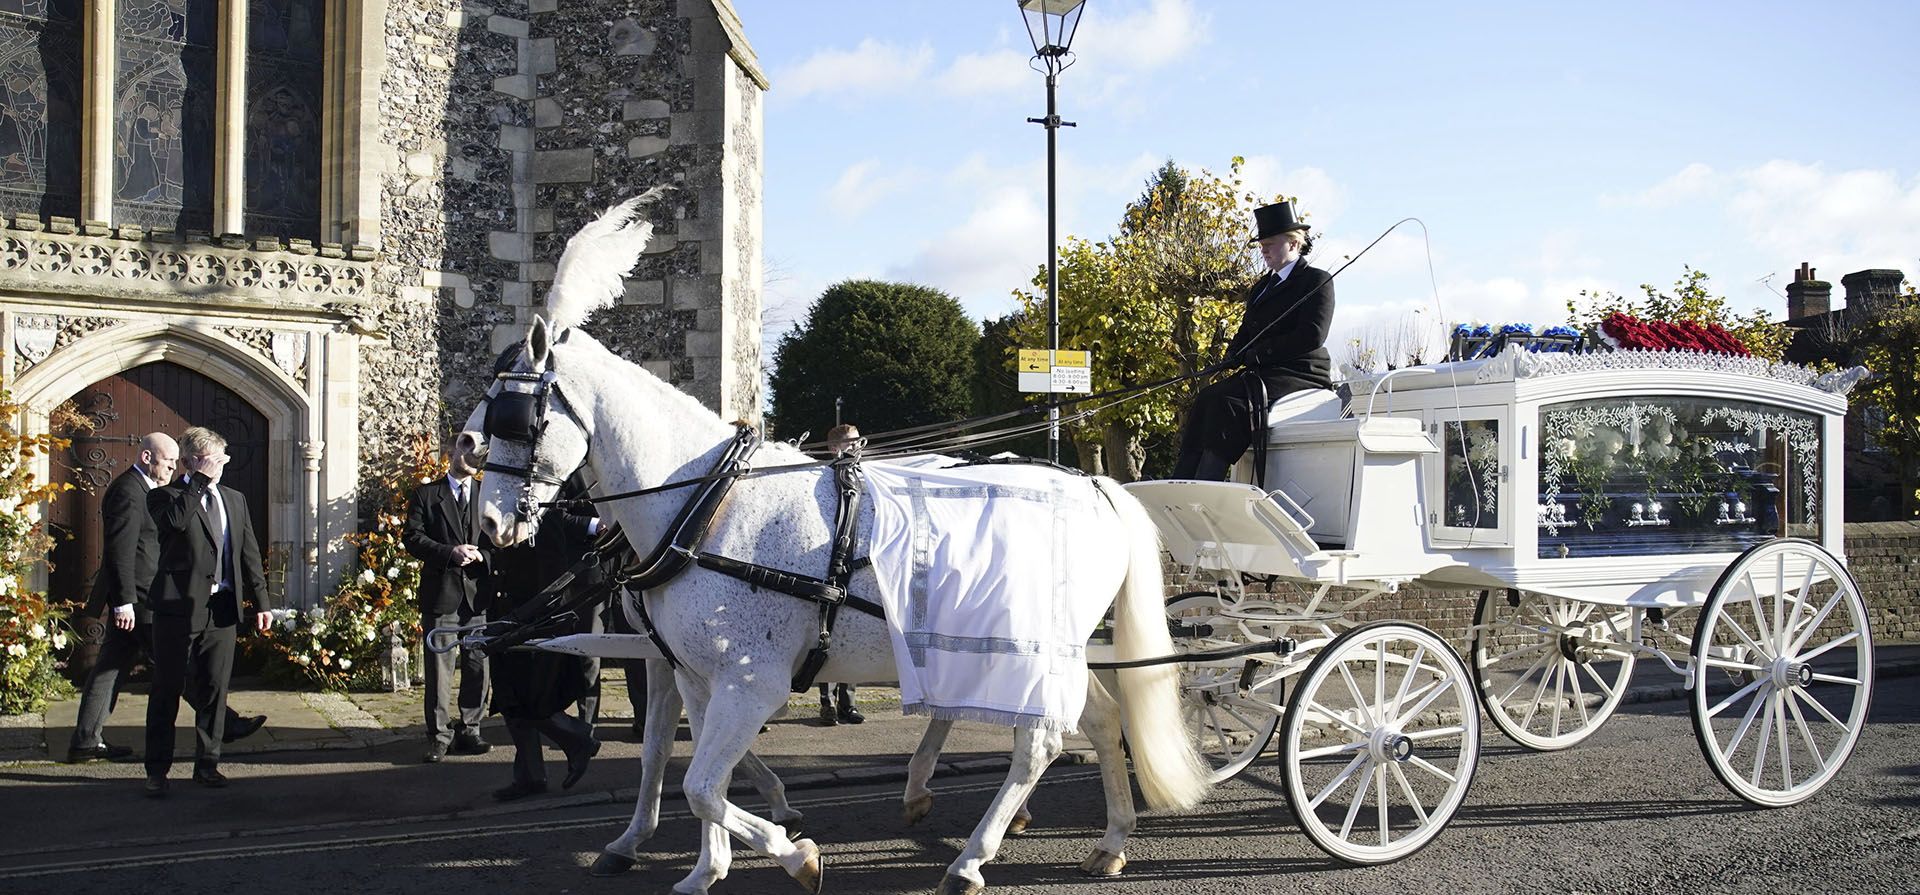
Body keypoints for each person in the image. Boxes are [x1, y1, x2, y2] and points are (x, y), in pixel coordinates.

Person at [68, 433, 264, 764]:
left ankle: (86, 740)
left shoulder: (153, 490)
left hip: (142, 597)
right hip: (141, 600)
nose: (173, 467)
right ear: (147, 457)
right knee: (176, 669)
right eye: (168, 461)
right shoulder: (129, 491)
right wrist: (124, 602)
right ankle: (226, 724)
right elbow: (119, 550)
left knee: (110, 668)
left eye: (175, 461)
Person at [142, 426, 274, 795]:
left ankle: (207, 764)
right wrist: (198, 481)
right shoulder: (165, 496)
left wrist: (261, 603)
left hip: (221, 608)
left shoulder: (234, 499)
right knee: (167, 688)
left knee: (215, 689)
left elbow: (248, 553)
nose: (218, 466)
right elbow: (174, 523)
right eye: (210, 460)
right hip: (176, 610)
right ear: (188, 462)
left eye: (221, 459)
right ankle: (157, 770)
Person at [1171, 200, 1335, 481]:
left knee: (1227, 402)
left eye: (1270, 244)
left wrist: (1260, 353)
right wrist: (1232, 356)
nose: (1264, 250)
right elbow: (1247, 331)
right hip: (1265, 372)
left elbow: (1312, 335)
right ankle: (1182, 479)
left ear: (1293, 243)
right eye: (1262, 245)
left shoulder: (1316, 280)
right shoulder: (1261, 287)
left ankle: (1207, 479)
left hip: (1301, 372)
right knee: (1205, 398)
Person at [487, 488, 602, 801]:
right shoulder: (499, 506)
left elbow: (553, 574)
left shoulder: (543, 511)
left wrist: (536, 618)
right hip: (504, 610)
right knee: (511, 699)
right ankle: (533, 774)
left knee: (529, 699)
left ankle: (576, 741)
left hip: (533, 619)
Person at [403, 438, 495, 763]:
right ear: (451, 453)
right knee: (439, 672)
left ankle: (470, 730)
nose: (470, 457)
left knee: (477, 667)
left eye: (477, 454)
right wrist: (449, 553)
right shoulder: (427, 495)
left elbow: (500, 540)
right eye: (464, 449)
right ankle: (439, 737)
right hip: (441, 595)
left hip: (477, 597)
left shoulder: (486, 495)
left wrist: (483, 556)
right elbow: (412, 538)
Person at [815, 423, 864, 727]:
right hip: (829, 561)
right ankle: (827, 703)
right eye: (850, 443)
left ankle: (849, 703)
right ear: (834, 448)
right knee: (827, 635)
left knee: (849, 636)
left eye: (858, 442)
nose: (857, 447)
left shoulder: (862, 475)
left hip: (855, 561)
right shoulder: (824, 478)